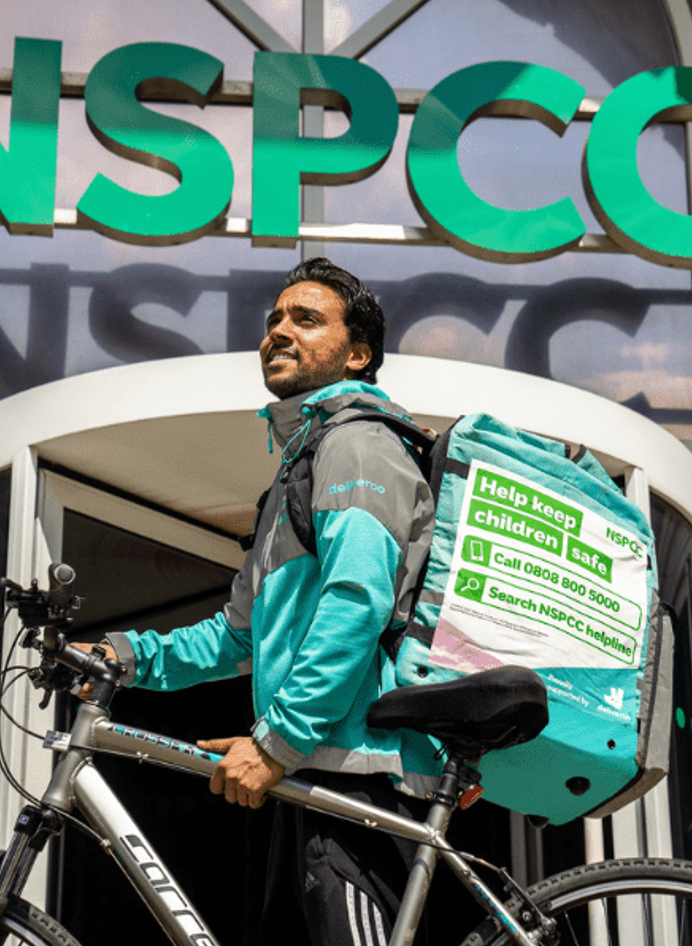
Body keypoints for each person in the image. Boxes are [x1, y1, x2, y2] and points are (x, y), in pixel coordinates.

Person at [81, 257, 439, 946]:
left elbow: (356, 602)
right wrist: (124, 655)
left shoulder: (359, 444)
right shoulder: (297, 471)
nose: (278, 331)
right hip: (315, 771)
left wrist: (276, 743)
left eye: (306, 319)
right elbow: (239, 636)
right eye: (274, 319)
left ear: (358, 354)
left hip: (358, 778)